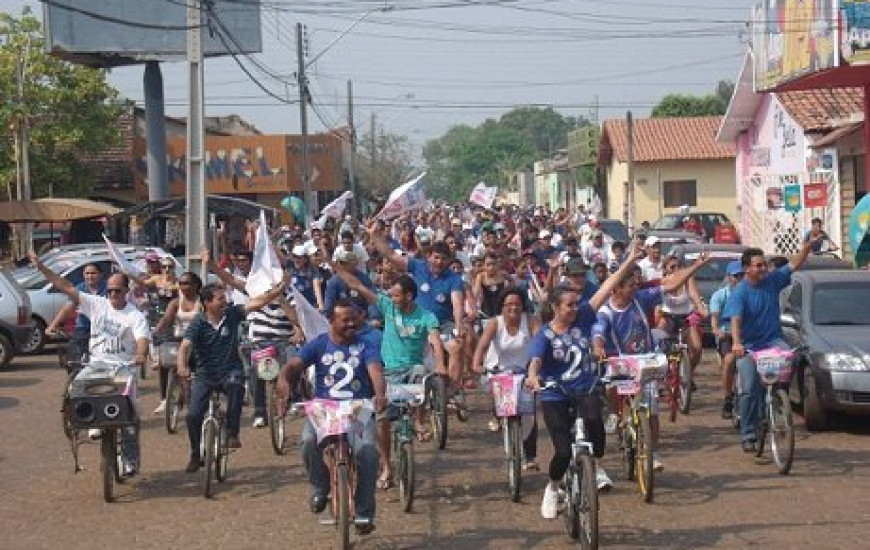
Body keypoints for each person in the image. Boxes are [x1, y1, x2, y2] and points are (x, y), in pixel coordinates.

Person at [527, 243, 647, 519]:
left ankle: (592, 468)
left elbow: (609, 284)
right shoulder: (544, 334)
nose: (575, 308)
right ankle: (553, 487)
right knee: (562, 451)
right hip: (554, 395)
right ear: (555, 308)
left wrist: (630, 259)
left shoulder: (584, 316)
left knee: (598, 437)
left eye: (576, 304)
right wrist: (533, 377)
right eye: (569, 305)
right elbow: (535, 361)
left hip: (585, 389)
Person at [30, 251, 150, 477]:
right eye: (110, 290)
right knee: (76, 388)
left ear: (126, 291)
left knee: (129, 416)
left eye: (118, 290)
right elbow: (65, 286)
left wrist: (141, 354)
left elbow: (142, 339)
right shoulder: (97, 304)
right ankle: (91, 421)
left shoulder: (135, 315)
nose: (113, 294)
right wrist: (41, 268)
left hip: (123, 367)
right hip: (96, 365)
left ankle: (130, 459)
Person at [591, 252, 711, 472]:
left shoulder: (641, 298)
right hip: (620, 362)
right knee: (610, 389)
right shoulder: (605, 312)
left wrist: (695, 266)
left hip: (645, 361)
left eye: (635, 285)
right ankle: (618, 416)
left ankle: (652, 451)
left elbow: (671, 285)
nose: (635, 288)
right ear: (616, 289)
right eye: (630, 286)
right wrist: (598, 348)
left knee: (652, 411)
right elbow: (598, 334)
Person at [276, 299, 386, 536]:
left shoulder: (366, 345)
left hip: (358, 406)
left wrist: (379, 394)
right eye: (345, 320)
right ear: (331, 321)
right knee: (307, 441)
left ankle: (365, 511)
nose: (351, 324)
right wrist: (284, 379)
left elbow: (375, 371)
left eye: (354, 319)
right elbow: (294, 364)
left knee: (368, 452)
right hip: (324, 407)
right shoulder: (319, 344)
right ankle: (320, 486)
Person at [329, 267, 444, 487]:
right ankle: (387, 466)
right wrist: (334, 265)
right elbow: (357, 285)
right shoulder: (388, 306)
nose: (392, 298)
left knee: (421, 375)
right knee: (382, 419)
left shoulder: (426, 316)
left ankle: (419, 422)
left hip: (413, 370)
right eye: (392, 295)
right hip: (388, 373)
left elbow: (435, 340)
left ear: (409, 296)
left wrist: (440, 364)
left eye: (396, 295)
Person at [178, 277, 289, 473]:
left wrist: (277, 291)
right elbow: (185, 346)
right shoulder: (198, 323)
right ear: (207, 303)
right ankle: (196, 454)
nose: (225, 301)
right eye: (220, 298)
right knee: (193, 415)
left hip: (230, 370)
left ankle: (232, 432)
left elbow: (257, 303)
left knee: (236, 388)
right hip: (205, 374)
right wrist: (182, 366)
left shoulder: (232, 314)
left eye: (225, 297)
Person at [723, 239, 816, 453]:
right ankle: (748, 433)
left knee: (791, 357)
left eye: (764, 264)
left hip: (773, 341)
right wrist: (736, 342)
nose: (763, 268)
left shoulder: (772, 281)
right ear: (747, 269)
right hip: (748, 346)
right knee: (749, 390)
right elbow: (735, 319)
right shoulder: (740, 292)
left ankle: (779, 397)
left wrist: (807, 248)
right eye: (758, 265)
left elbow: (793, 264)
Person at [367, 222, 466, 401]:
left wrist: (459, 326)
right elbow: (391, 255)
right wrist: (374, 236)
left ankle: (451, 392)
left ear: (449, 260)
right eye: (436, 257)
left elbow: (457, 303)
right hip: (416, 321)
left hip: (442, 325)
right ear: (429, 256)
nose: (439, 262)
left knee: (456, 347)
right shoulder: (418, 266)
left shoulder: (454, 279)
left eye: (444, 259)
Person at [472, 288, 540, 467]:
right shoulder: (495, 323)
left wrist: (538, 367)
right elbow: (482, 345)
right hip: (498, 370)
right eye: (509, 304)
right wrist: (476, 364)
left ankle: (530, 457)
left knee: (528, 413)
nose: (513, 308)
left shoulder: (531, 321)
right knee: (503, 403)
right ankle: (497, 414)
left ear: (523, 306)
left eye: (517, 304)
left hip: (525, 371)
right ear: (502, 307)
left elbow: (540, 345)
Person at [152, 272, 203, 414]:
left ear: (195, 285)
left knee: (197, 370)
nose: (182, 286)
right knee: (165, 363)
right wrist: (156, 330)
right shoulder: (175, 302)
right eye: (180, 283)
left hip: (199, 341)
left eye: (186, 283)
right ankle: (165, 399)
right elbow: (166, 319)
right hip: (179, 340)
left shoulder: (202, 302)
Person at [658, 254, 708, 387]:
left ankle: (688, 373)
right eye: (672, 267)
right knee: (660, 345)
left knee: (697, 348)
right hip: (668, 316)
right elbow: (657, 303)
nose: (676, 269)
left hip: (686, 317)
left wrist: (701, 308)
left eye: (678, 266)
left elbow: (694, 294)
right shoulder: (663, 282)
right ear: (666, 269)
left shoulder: (688, 278)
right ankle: (664, 375)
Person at [46, 262, 106, 359]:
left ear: (101, 275)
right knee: (75, 357)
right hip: (84, 328)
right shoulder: (79, 288)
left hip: (104, 328)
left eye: (93, 273)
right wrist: (53, 325)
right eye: (87, 273)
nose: (90, 276)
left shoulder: (109, 288)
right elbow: (68, 307)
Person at [709, 261, 743, 420]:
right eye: (736, 276)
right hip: (727, 335)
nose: (739, 279)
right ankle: (728, 398)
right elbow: (714, 320)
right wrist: (716, 330)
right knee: (729, 360)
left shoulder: (749, 293)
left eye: (741, 275)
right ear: (728, 277)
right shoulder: (720, 295)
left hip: (747, 335)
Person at [472, 252, 511, 319]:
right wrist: (474, 310)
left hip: (501, 311)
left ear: (497, 264)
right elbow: (475, 294)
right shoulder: (481, 276)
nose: (491, 267)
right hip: (486, 312)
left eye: (494, 264)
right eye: (488, 265)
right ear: (484, 266)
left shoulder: (503, 274)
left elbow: (513, 284)